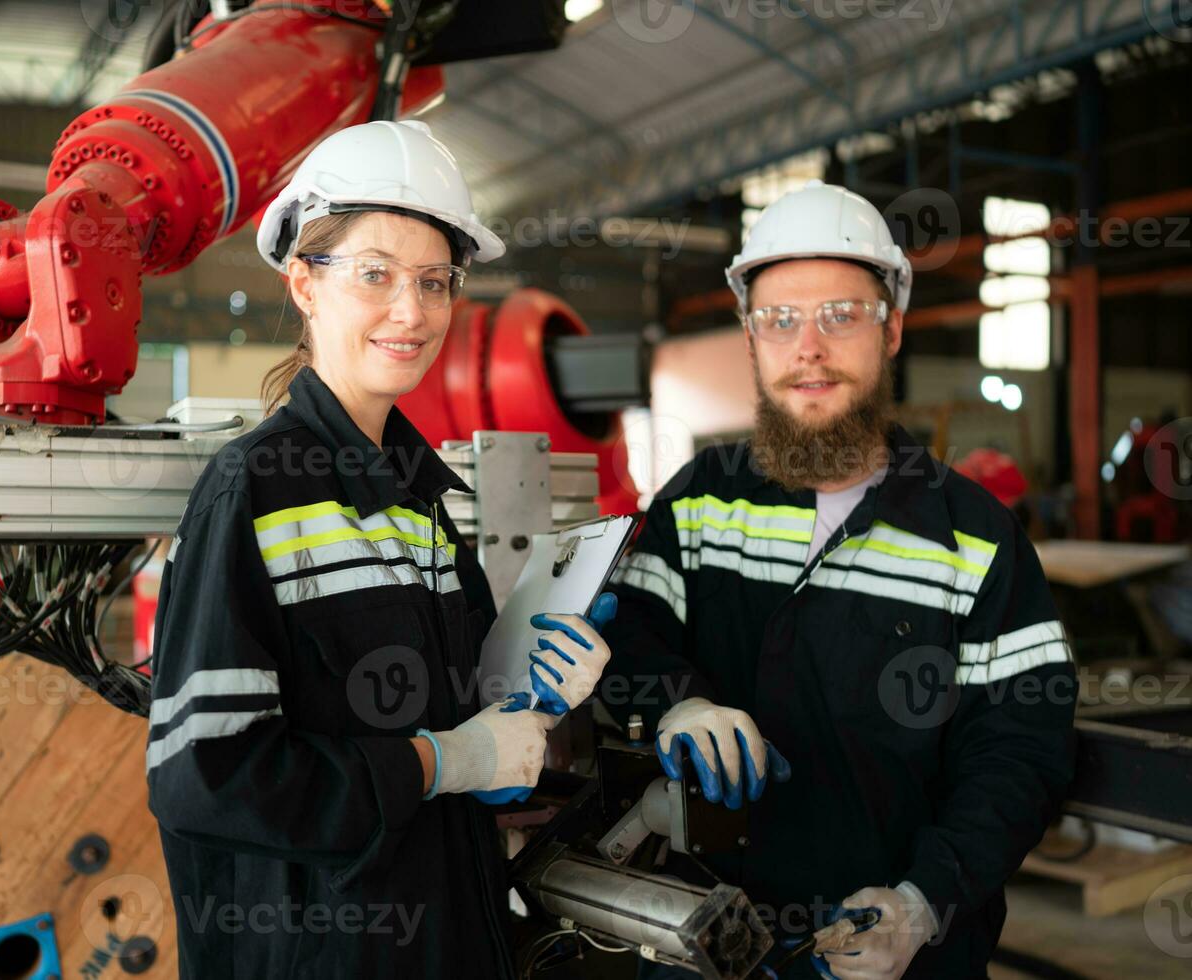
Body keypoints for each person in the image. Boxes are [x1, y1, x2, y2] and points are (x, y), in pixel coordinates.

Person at [145, 119, 614, 980]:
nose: (413, 311)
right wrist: (440, 763)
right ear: (304, 284)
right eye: (376, 275)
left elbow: (461, 718)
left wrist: (535, 698)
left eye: (435, 282)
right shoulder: (251, 491)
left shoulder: (421, 499)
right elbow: (207, 778)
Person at [600, 181, 1077, 979]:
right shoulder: (700, 500)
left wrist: (924, 903)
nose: (808, 347)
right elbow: (623, 633)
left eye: (841, 315)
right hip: (704, 944)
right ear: (751, 339)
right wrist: (676, 702)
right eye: (780, 320)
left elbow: (1022, 751)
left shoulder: (975, 538)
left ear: (890, 330)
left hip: (893, 960)